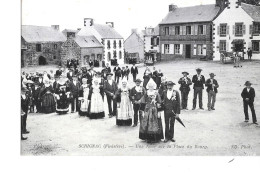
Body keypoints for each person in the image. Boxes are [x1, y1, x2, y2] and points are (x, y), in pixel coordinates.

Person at [139, 79, 163, 143]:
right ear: (148, 86)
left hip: (154, 110)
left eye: (152, 86)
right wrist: (143, 111)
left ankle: (155, 138)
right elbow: (143, 102)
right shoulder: (146, 93)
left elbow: (159, 102)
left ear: (154, 86)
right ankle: (148, 138)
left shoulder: (156, 93)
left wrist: (159, 112)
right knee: (146, 123)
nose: (151, 87)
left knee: (155, 123)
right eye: (149, 86)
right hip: (147, 109)